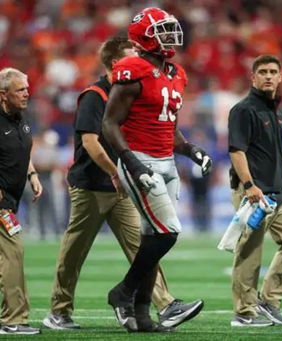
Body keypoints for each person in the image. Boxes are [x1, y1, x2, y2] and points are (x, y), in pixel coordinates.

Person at [43, 36, 201, 332]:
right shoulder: (95, 95)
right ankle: (59, 311)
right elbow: (90, 142)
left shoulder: (135, 90)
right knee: (74, 251)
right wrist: (115, 171)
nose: (141, 59)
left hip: (126, 183)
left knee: (148, 243)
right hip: (91, 185)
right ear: (118, 63)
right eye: (133, 55)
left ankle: (163, 303)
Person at [102, 8, 211, 332]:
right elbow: (109, 123)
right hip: (140, 158)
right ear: (144, 36)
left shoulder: (176, 73)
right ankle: (122, 292)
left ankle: (143, 314)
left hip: (167, 160)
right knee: (168, 231)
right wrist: (130, 162)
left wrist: (190, 149)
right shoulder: (131, 68)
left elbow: (168, 125)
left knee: (153, 238)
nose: (170, 36)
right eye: (162, 30)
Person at [228, 55, 282, 327]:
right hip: (254, 194)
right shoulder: (243, 110)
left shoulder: (276, 112)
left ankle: (269, 300)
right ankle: (244, 313)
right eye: (263, 72)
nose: (269, 76)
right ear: (253, 77)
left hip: (278, 193)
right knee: (250, 253)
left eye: (273, 71)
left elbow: (278, 152)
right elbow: (237, 151)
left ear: (281, 77)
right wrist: (249, 185)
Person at [0, 67, 43, 335]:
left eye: (27, 88)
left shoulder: (21, 119)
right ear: (3, 95)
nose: (27, 94)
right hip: (2, 203)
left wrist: (32, 174)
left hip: (12, 200)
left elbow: (22, 149)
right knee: (13, 254)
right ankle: (13, 321)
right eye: (20, 90)